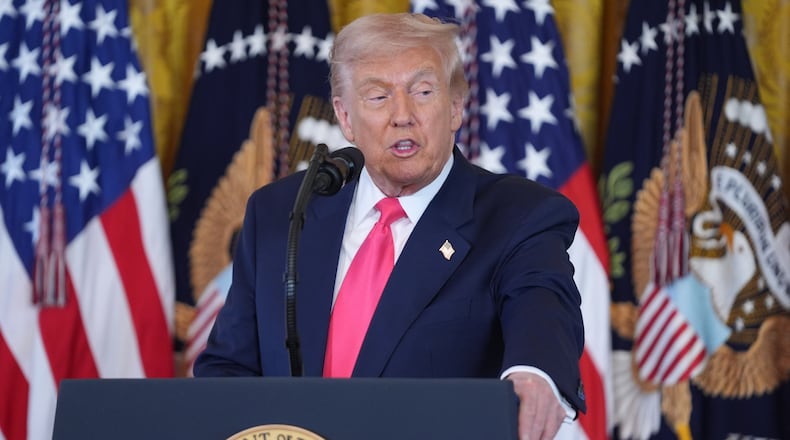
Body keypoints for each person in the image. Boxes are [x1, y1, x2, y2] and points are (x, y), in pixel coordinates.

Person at [194, 12, 586, 439]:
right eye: (378, 96)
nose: (403, 115)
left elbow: (543, 308)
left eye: (422, 91)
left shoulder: (518, 216)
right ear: (345, 117)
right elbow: (228, 372)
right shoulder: (280, 213)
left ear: (456, 106)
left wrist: (535, 375)